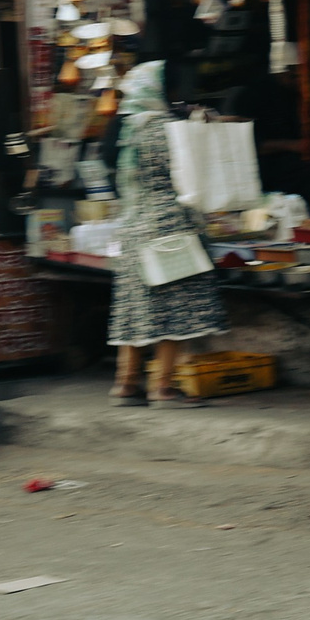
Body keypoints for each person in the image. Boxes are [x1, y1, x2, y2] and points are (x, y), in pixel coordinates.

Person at [105, 62, 226, 408]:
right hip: (167, 228)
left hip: (131, 228)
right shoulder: (164, 130)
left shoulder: (126, 128)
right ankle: (163, 387)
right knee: (175, 309)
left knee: (138, 308)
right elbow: (189, 175)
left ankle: (125, 383)